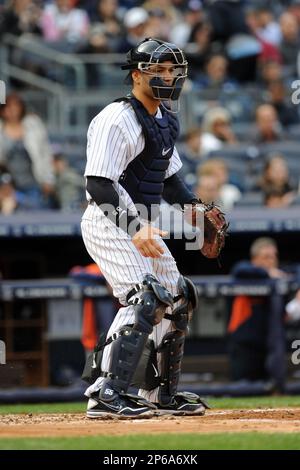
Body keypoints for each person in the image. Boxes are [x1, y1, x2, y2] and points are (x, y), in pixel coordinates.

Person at [81, 37, 210, 419]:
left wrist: (195, 209)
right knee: (144, 297)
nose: (168, 77)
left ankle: (158, 395)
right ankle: (105, 392)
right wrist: (134, 226)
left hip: (140, 224)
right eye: (159, 70)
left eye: (173, 70)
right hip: (109, 220)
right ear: (137, 75)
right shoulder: (116, 117)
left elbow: (170, 180)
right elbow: (98, 184)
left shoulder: (165, 119)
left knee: (178, 296)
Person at [227, 237, 288, 390]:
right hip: (244, 346)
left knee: (270, 391)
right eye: (266, 257)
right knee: (242, 389)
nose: (271, 261)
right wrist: (267, 273)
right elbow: (239, 269)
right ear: (255, 259)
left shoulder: (278, 276)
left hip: (269, 346)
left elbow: (296, 272)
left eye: (274, 257)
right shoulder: (245, 271)